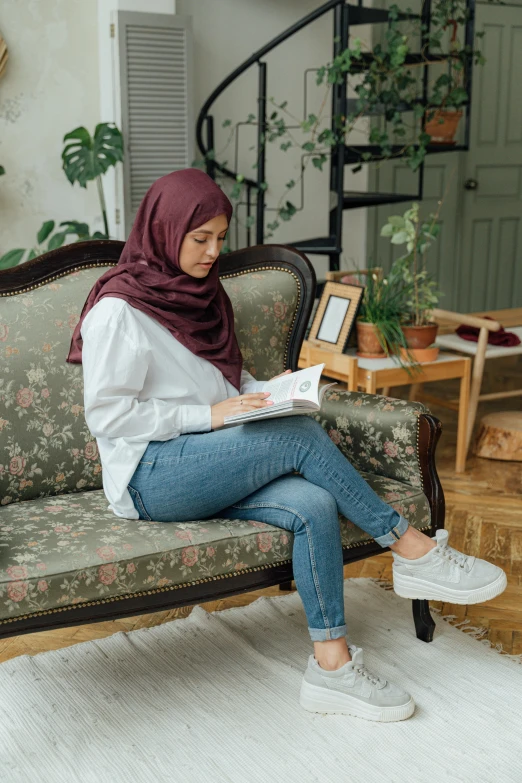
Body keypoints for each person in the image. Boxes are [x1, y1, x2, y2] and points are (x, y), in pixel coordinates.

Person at [67, 168, 507, 724]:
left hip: (207, 459)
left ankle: (332, 669)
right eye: (199, 239)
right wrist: (209, 415)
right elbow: (109, 417)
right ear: (163, 229)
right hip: (149, 474)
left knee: (314, 505)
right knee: (298, 438)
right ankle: (409, 546)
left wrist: (270, 393)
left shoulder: (202, 295)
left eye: (221, 238)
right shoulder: (118, 311)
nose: (212, 252)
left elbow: (226, 381)